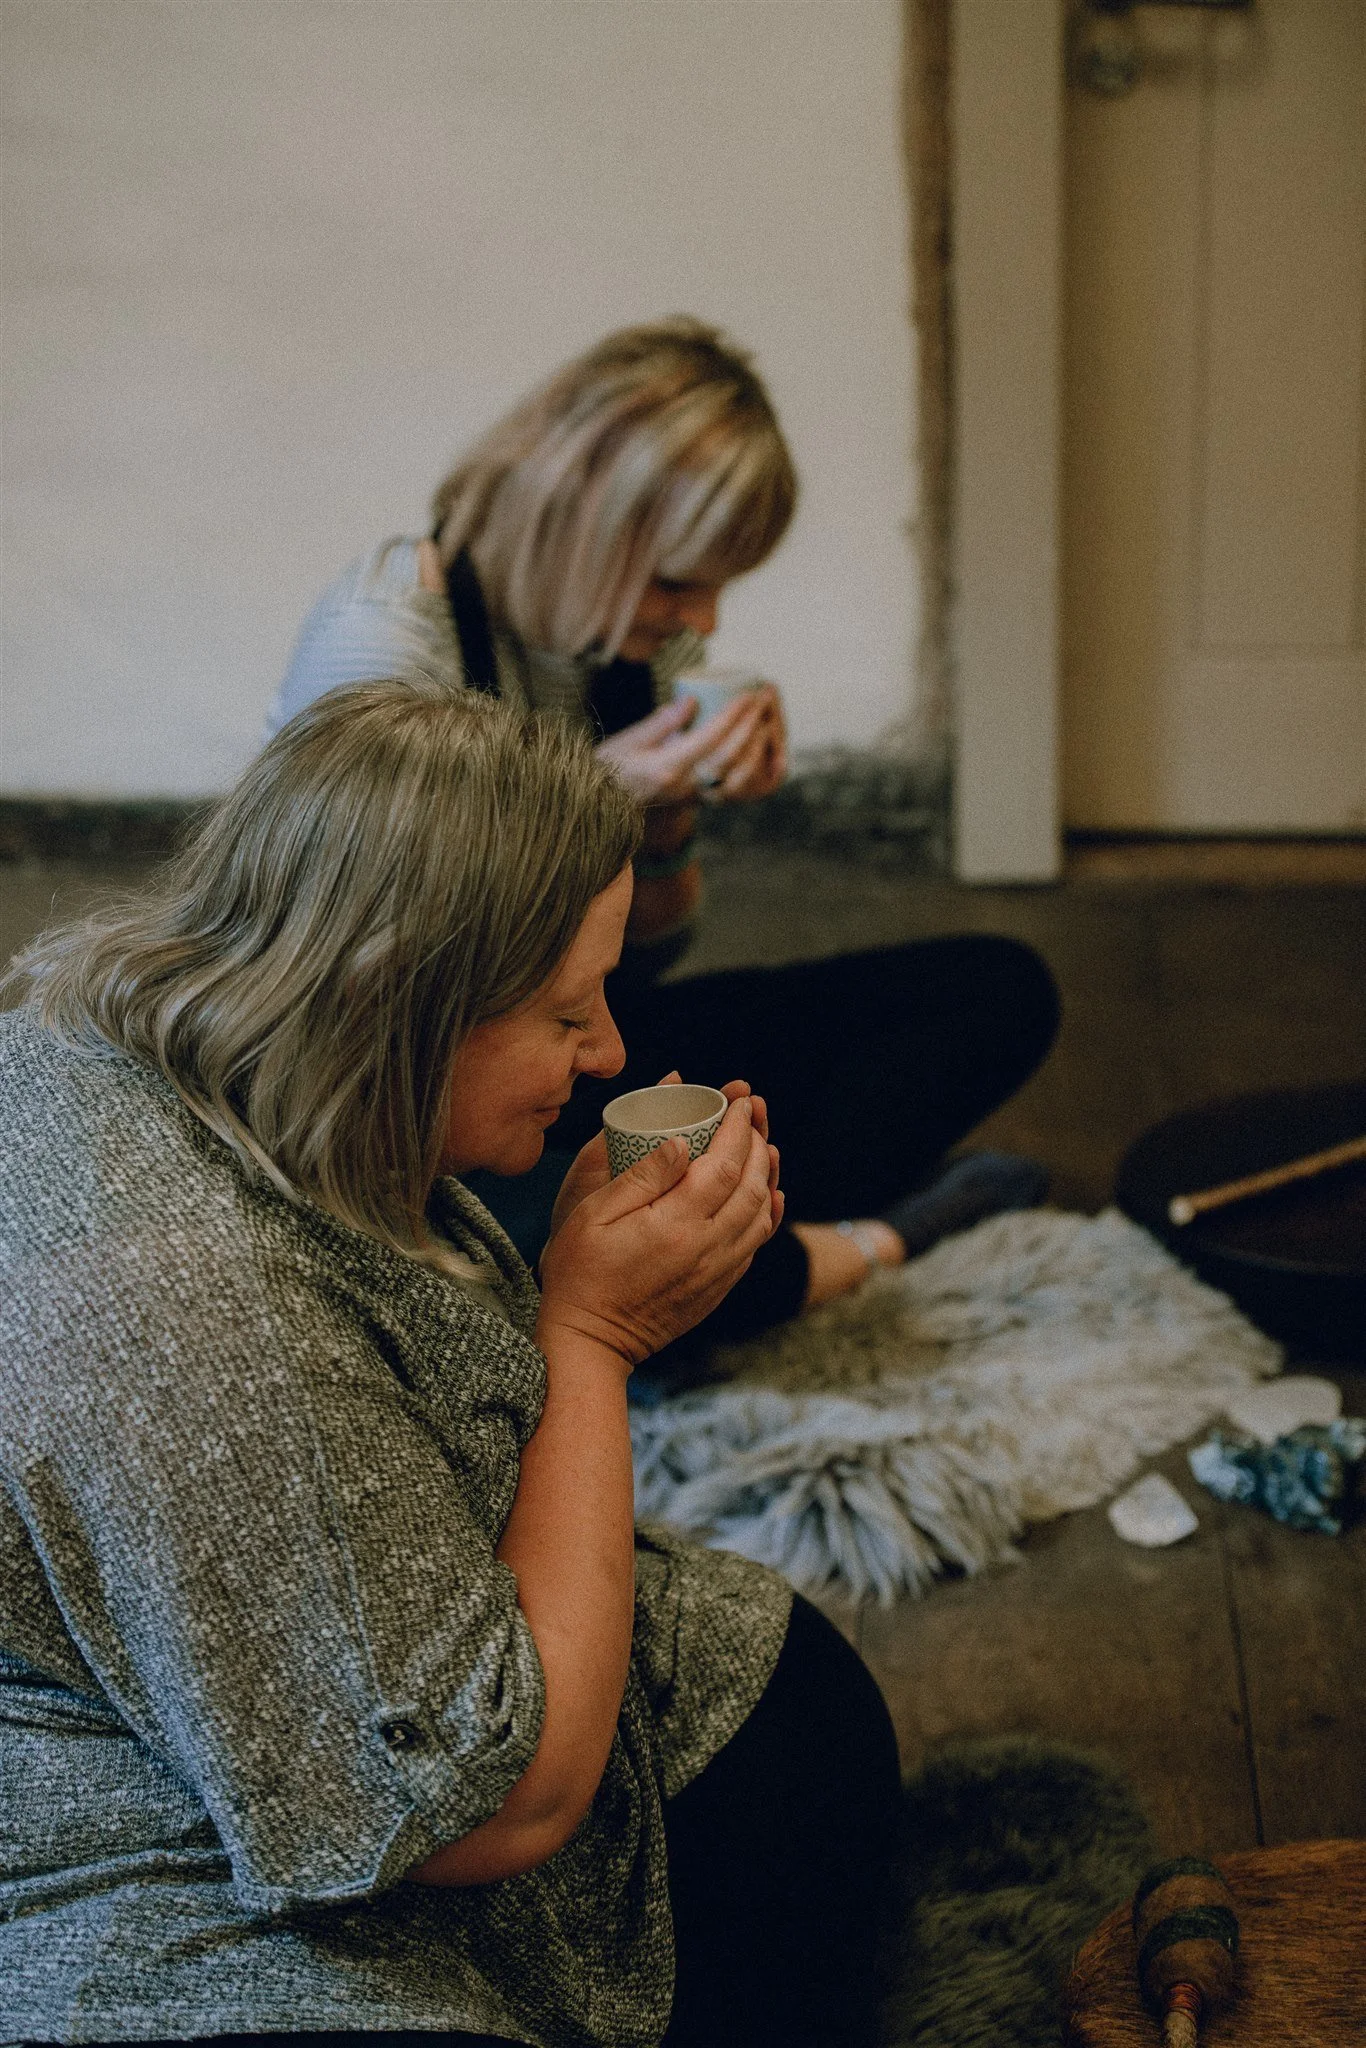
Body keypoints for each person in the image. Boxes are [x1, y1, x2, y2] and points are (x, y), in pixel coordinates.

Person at [0, 681, 901, 2048]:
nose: (606, 1052)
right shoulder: (206, 1322)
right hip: (122, 1824)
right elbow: (489, 1806)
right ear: (398, 1006)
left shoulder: (115, 1029)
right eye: (563, 1011)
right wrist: (592, 1338)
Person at [267, 319, 1059, 1375]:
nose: (706, 621)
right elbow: (373, 1000)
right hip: (421, 1087)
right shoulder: (384, 645)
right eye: (680, 584)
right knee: (522, 1239)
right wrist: (592, 799)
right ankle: (851, 1246)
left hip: (569, 1043)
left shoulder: (627, 640)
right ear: (580, 525)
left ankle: (714, 1241)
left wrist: (667, 819)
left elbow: (633, 970)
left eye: (721, 584)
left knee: (998, 988)